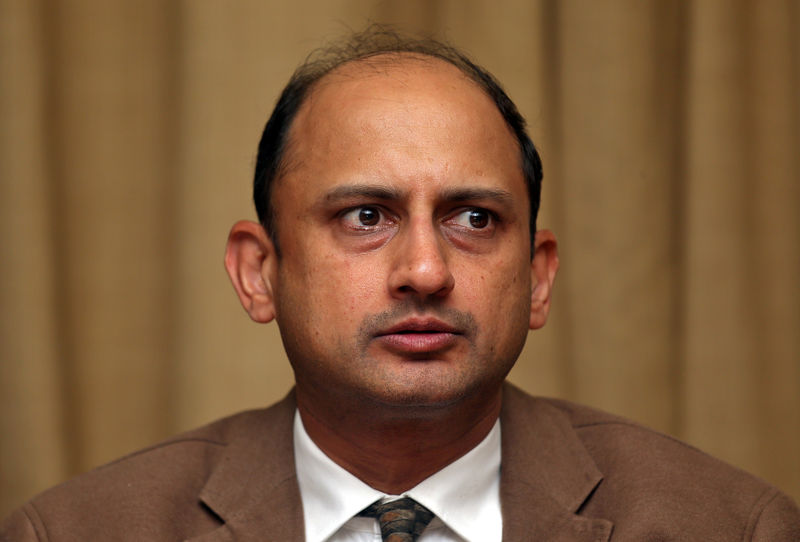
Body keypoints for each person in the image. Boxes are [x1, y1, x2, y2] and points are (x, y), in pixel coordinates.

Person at [2, 28, 799, 542]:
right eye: (365, 216)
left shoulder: (731, 527)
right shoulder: (75, 531)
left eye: (475, 220)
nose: (425, 270)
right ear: (259, 272)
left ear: (538, 277)